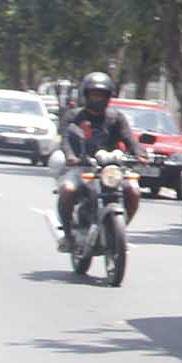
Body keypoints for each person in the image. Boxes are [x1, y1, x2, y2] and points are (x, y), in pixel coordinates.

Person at [52, 72, 147, 238]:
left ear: (108, 96)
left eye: (101, 95)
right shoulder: (74, 116)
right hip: (82, 167)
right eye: (94, 94)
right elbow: (65, 138)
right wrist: (71, 156)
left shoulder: (115, 117)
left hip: (111, 169)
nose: (97, 99)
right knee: (67, 190)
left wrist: (140, 153)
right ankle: (67, 233)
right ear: (86, 95)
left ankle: (120, 229)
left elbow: (129, 138)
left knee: (133, 191)